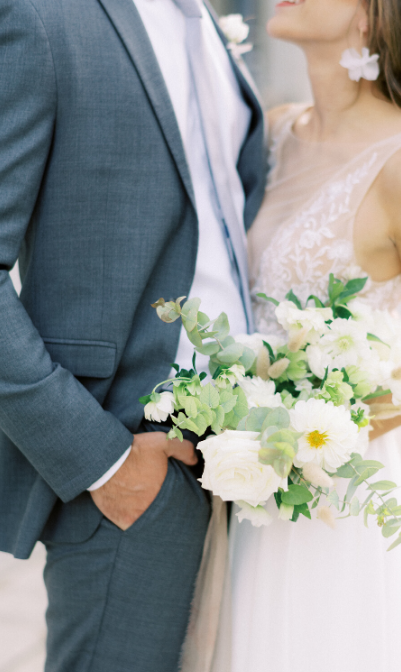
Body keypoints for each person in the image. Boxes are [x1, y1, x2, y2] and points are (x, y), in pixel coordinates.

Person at [0, 0, 264, 670]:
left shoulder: (206, 21)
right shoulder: (40, 17)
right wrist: (103, 463)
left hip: (257, 461)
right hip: (138, 458)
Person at [227, 1, 401, 671]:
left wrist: (314, 440)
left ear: (370, 17)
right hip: (230, 475)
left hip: (323, 491)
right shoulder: (275, 131)